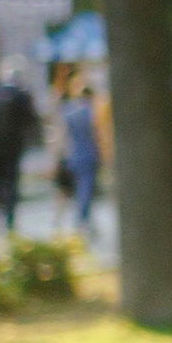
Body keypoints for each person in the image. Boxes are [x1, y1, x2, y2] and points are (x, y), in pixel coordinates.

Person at [0, 70, 39, 234]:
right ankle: (10, 219)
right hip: (13, 145)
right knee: (11, 181)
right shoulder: (19, 94)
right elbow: (31, 119)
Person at [57, 74, 102, 233]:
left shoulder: (67, 110)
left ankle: (86, 222)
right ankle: (80, 220)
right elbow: (97, 133)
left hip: (73, 155)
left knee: (79, 189)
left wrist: (58, 157)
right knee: (86, 189)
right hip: (88, 154)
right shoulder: (90, 111)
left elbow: (61, 136)